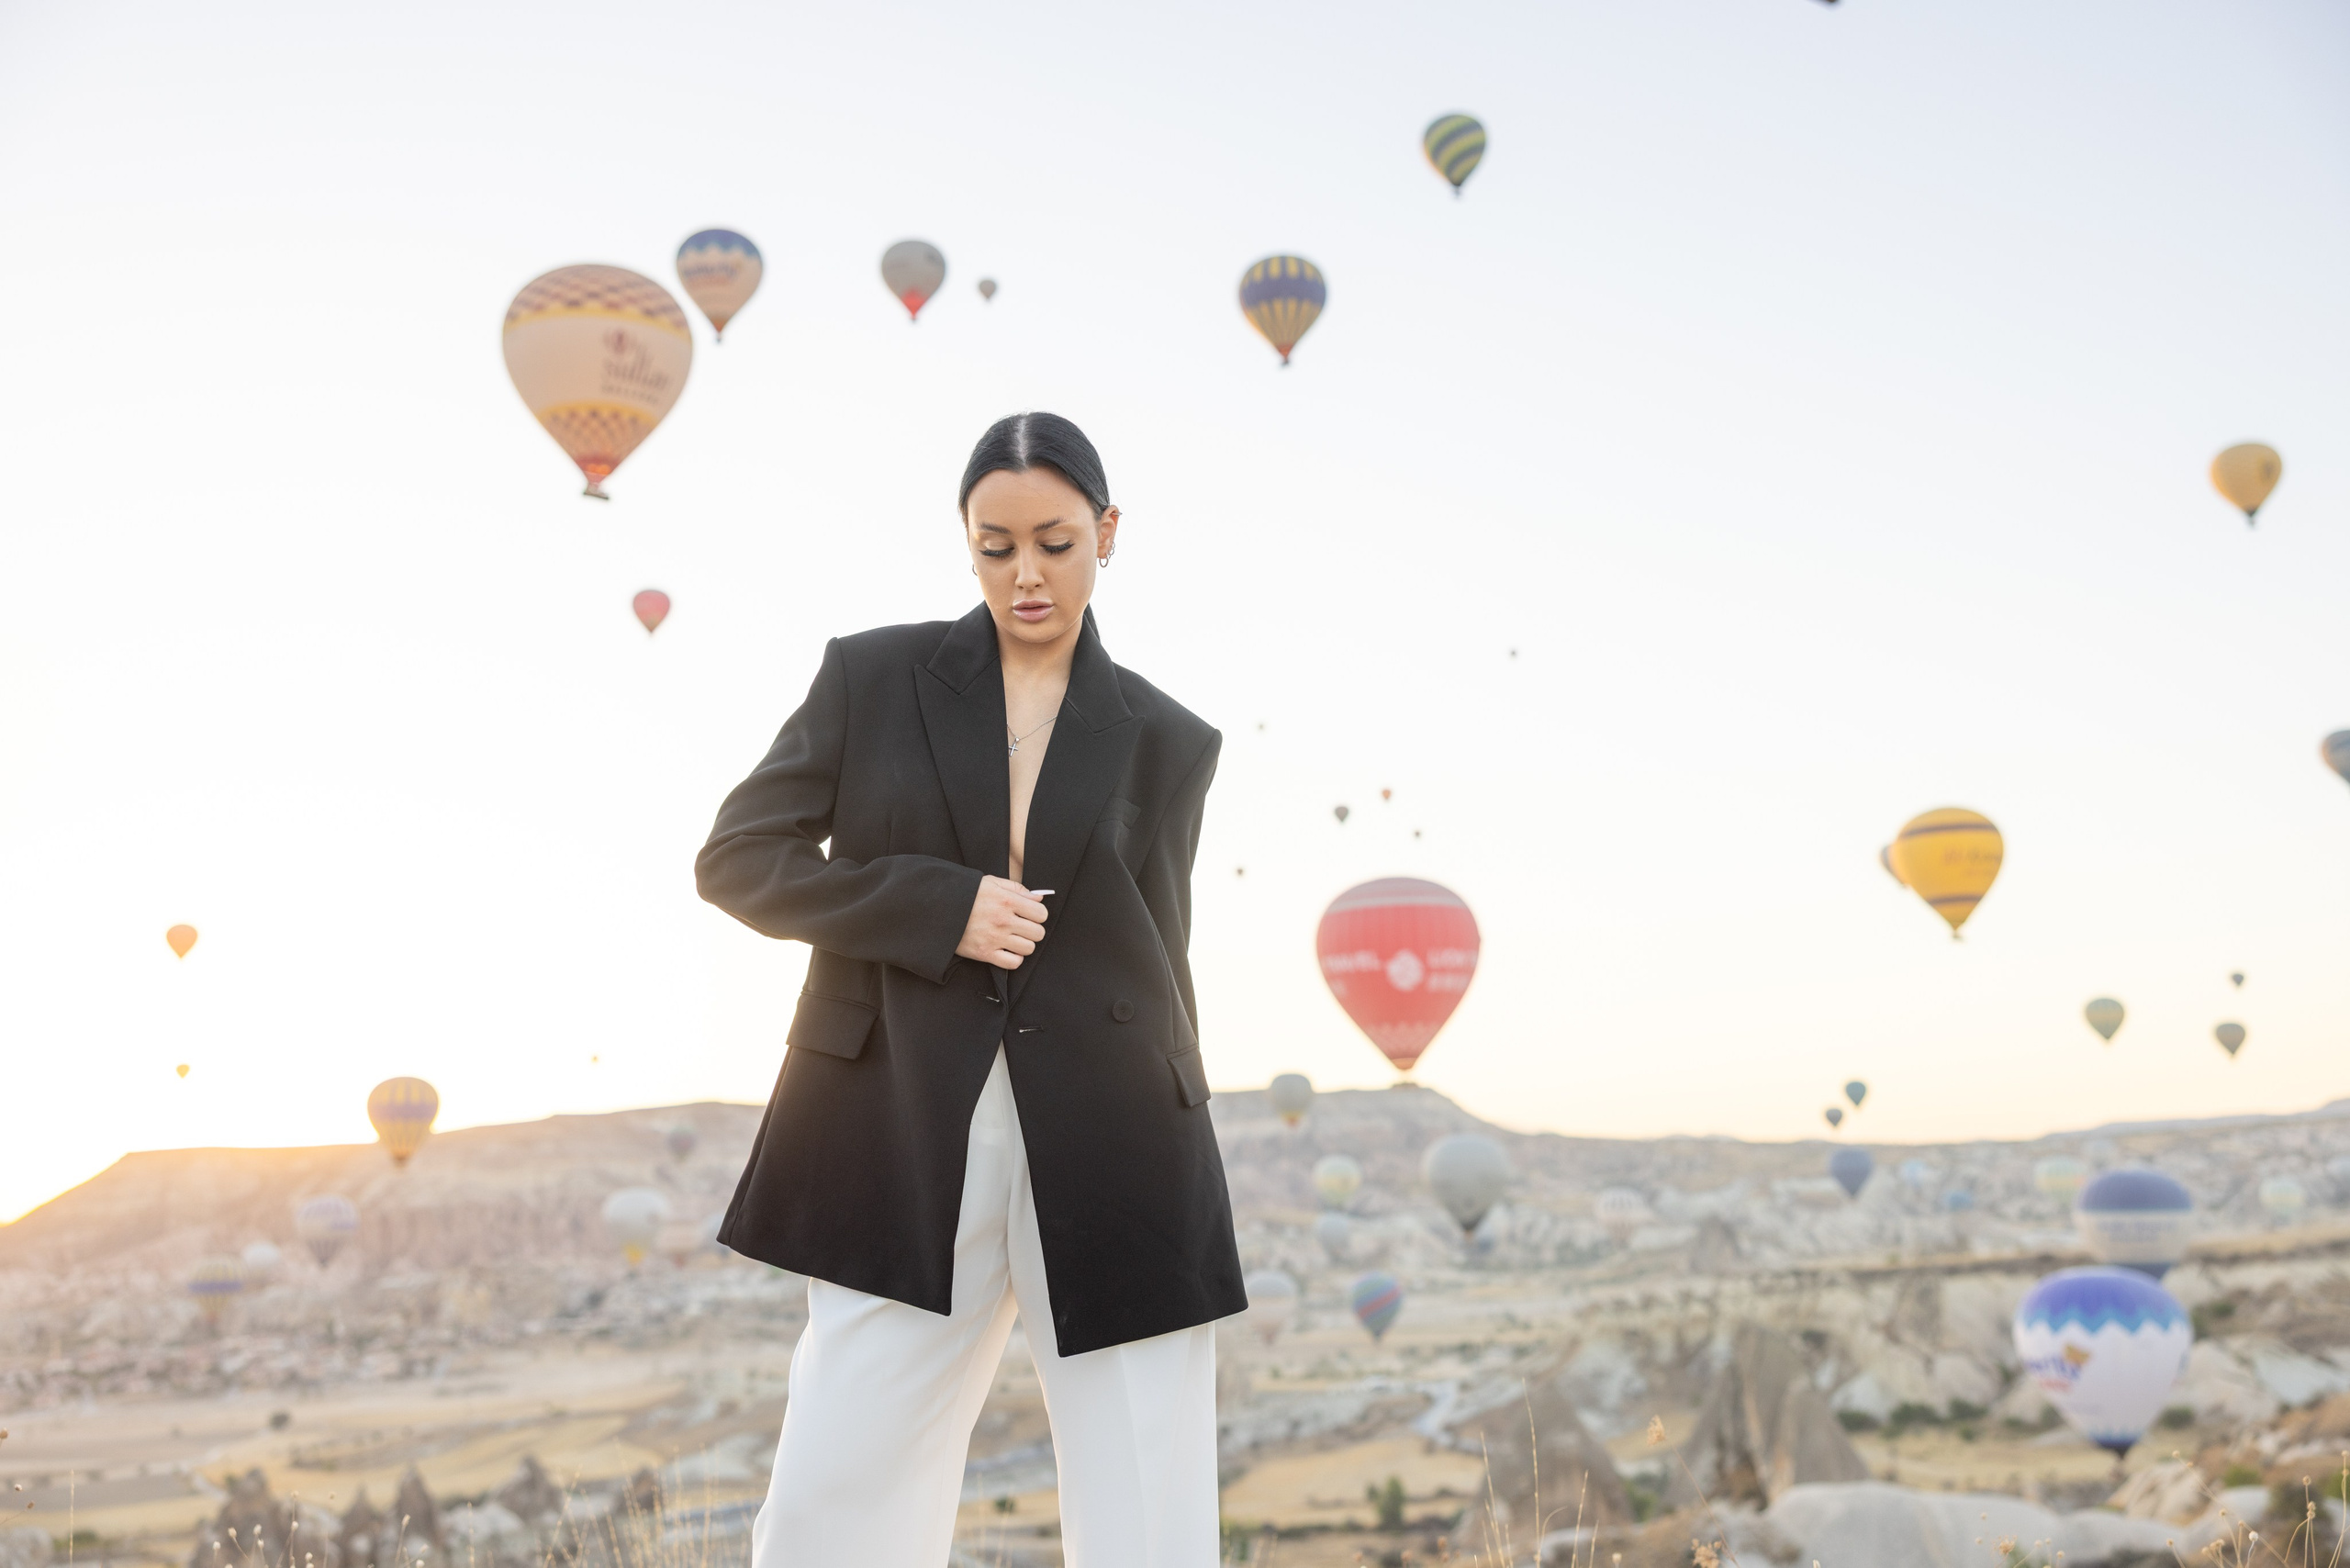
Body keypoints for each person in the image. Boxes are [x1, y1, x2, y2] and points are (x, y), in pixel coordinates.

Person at [697, 411, 1244, 1565]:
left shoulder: (1166, 736)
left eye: (1054, 540)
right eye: (994, 546)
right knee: (830, 1501)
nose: (1025, 573)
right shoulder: (872, 675)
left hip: (1118, 1137)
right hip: (895, 1117)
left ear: (1107, 532)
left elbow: (1163, 949)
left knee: (1149, 1505)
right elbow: (738, 860)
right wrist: (937, 906)